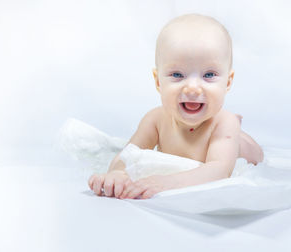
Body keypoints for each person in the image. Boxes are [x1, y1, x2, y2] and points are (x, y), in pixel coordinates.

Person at [88, 13, 263, 200]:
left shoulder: (224, 123)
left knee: (245, 145)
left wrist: (166, 182)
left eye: (209, 75)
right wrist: (118, 175)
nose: (193, 88)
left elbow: (219, 171)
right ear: (158, 81)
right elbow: (128, 155)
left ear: (228, 82)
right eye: (178, 75)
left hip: (235, 147)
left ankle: (238, 136)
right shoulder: (155, 119)